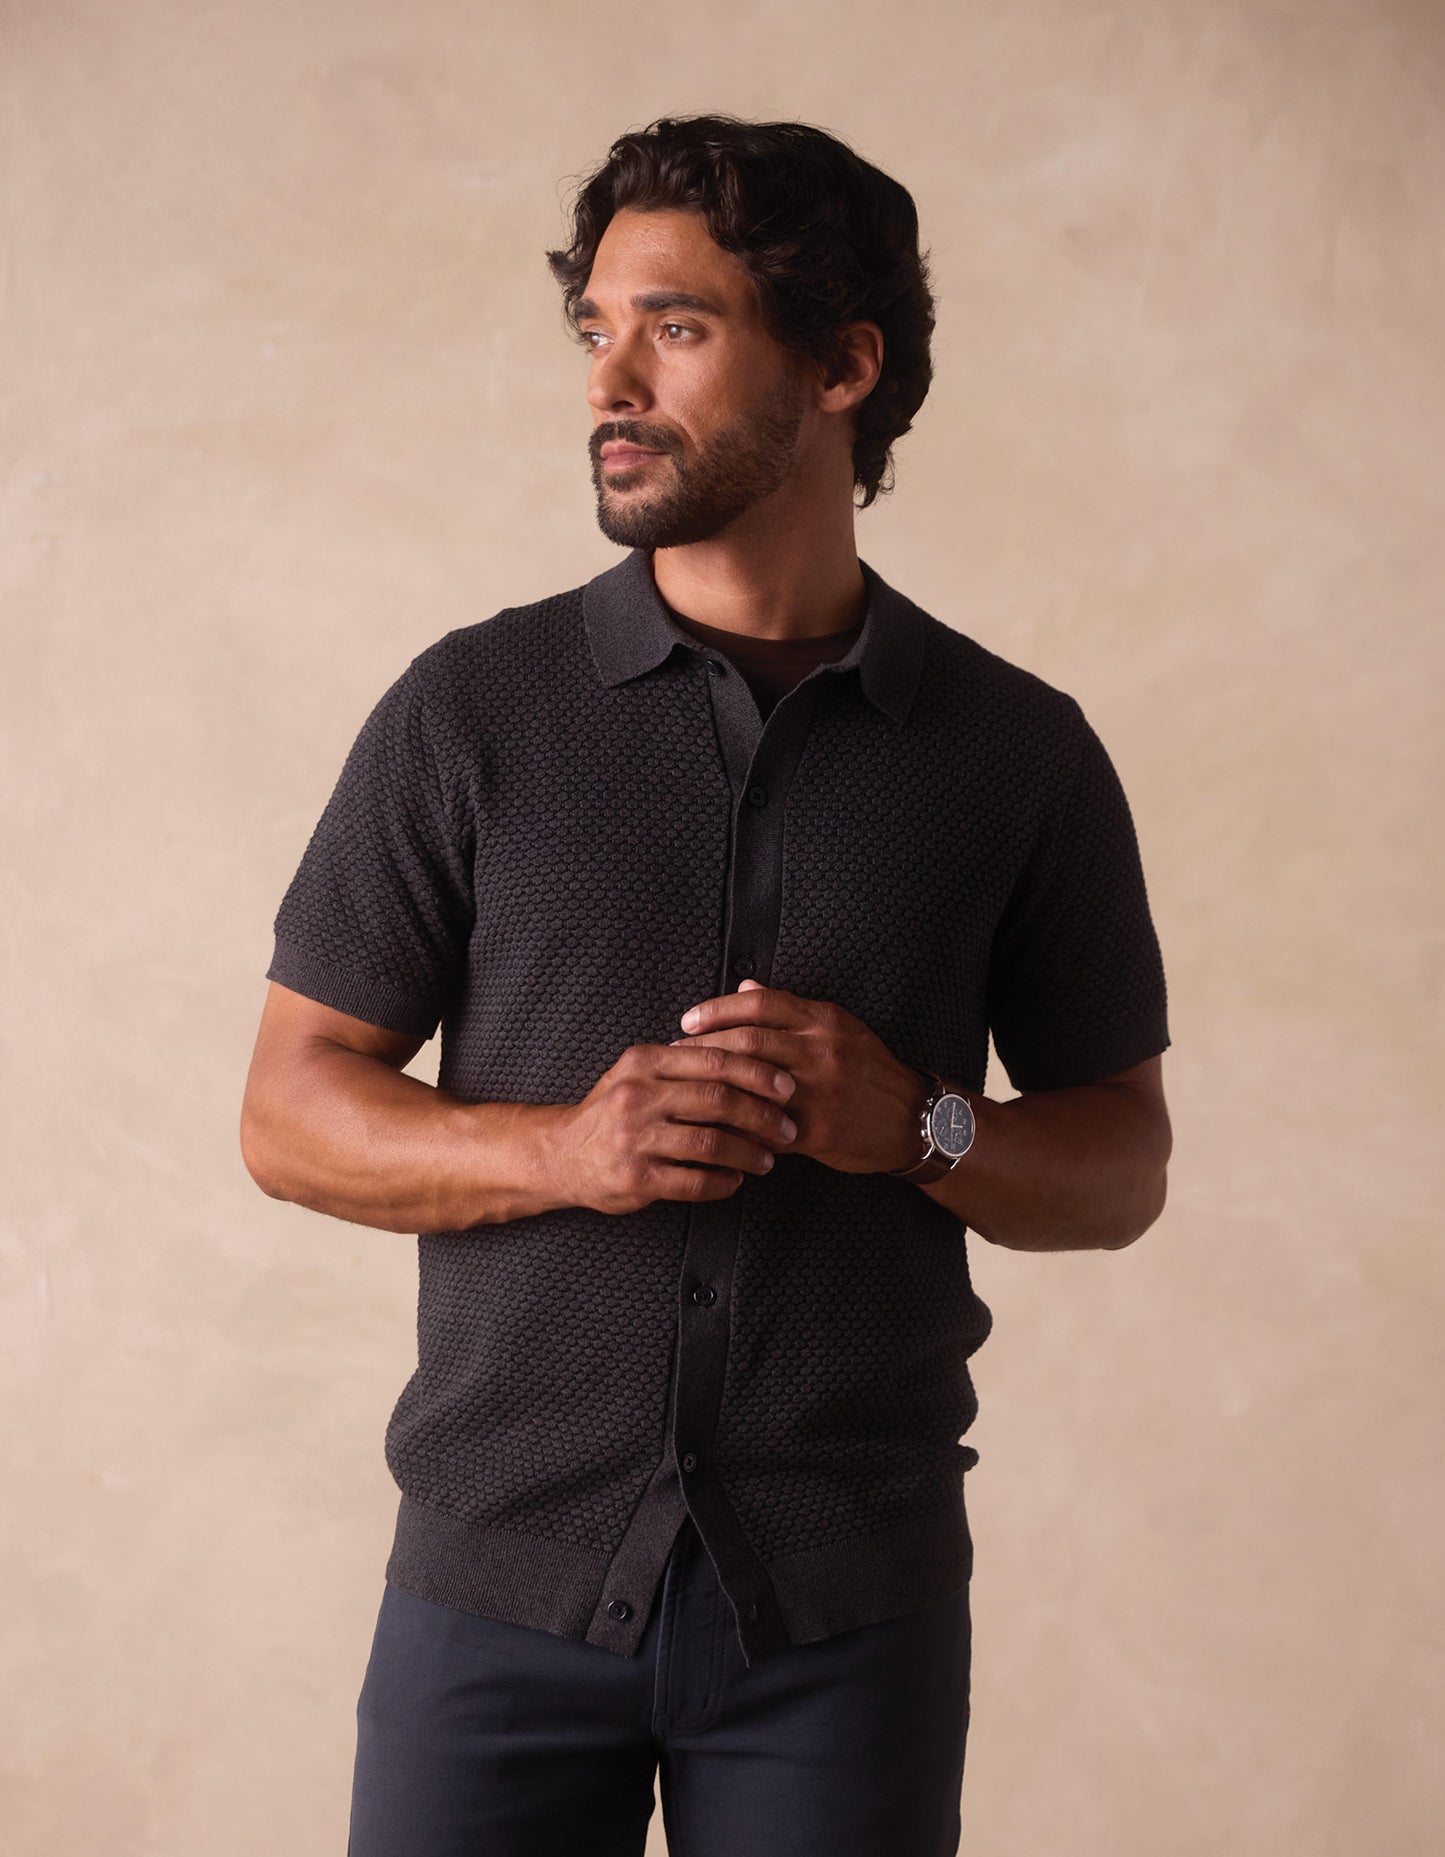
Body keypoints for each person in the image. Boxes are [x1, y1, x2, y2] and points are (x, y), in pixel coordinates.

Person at [240, 113, 1172, 1857]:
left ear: (841, 365)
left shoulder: (1015, 754)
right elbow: (287, 1113)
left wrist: (920, 1124)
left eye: (674, 327)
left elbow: (1122, 1163)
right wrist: (560, 1150)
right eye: (596, 328)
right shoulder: (469, 711)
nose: (611, 380)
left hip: (844, 1619)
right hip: (494, 1601)